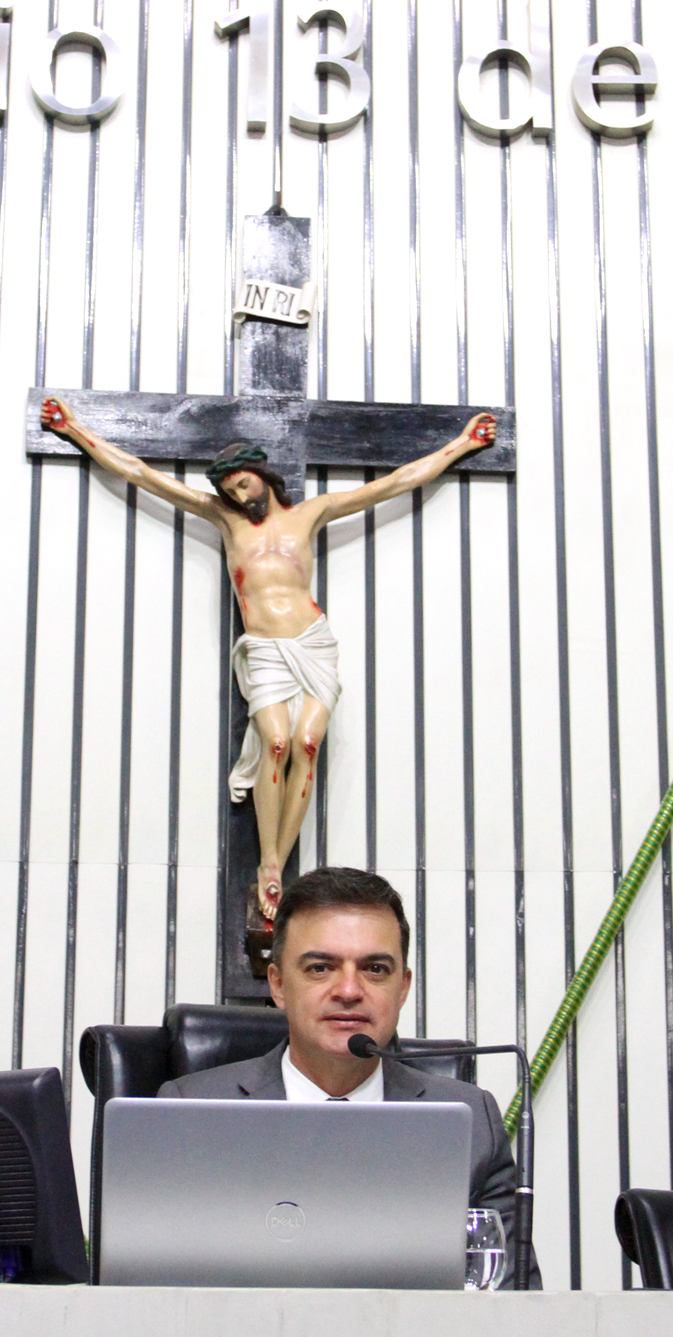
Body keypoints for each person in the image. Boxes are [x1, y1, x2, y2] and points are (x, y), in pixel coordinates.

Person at [40, 398, 496, 924]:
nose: (238, 493)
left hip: (311, 641)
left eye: (243, 482)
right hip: (263, 648)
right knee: (275, 742)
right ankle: (271, 864)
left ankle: (277, 860)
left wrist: (463, 443)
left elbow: (393, 484)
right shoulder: (225, 521)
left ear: (262, 475)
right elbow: (143, 475)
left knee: (307, 743)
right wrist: (74, 428)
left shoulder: (311, 513)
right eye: (229, 488)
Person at [157, 865, 539, 1285]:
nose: (350, 990)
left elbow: (512, 1300)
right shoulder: (189, 1112)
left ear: (403, 988)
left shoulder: (470, 1119)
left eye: (375, 969)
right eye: (321, 968)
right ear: (279, 985)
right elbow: (153, 1295)